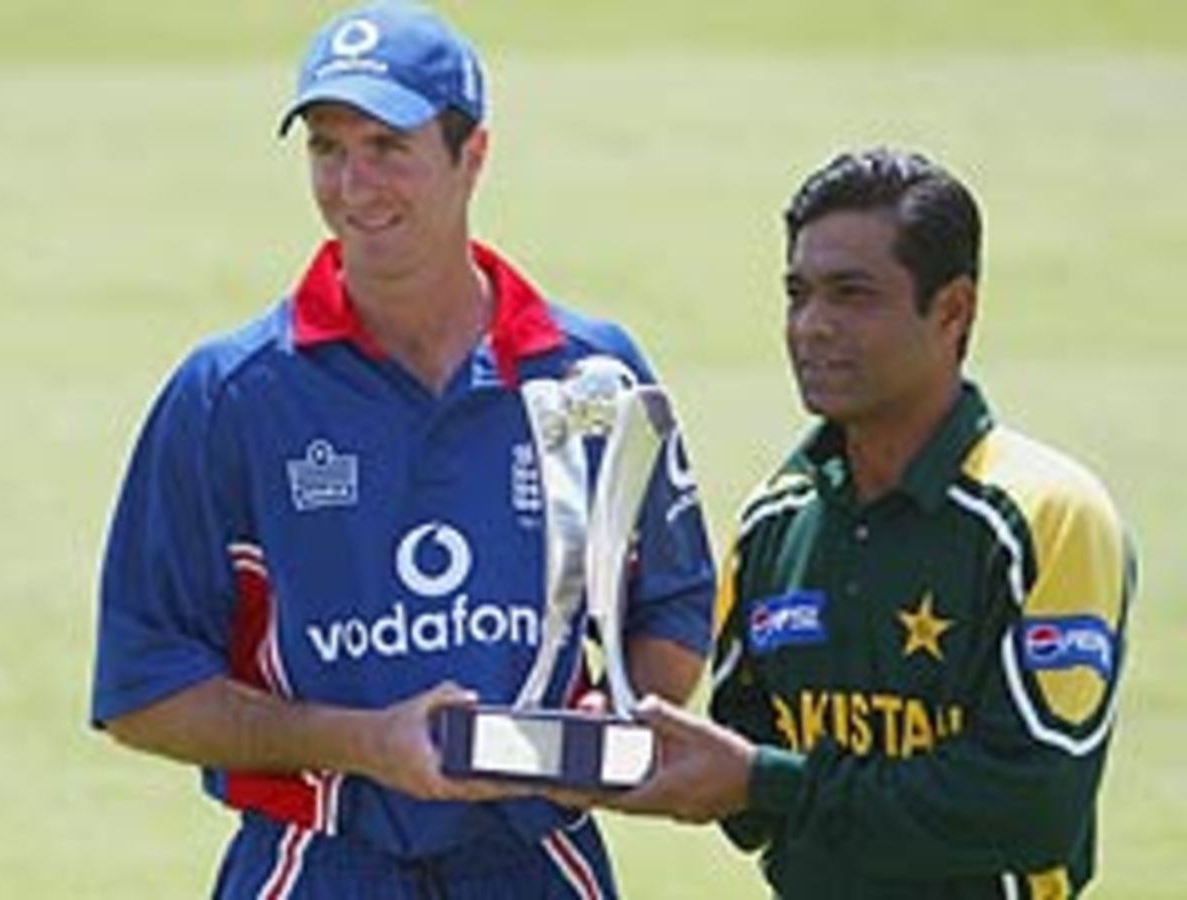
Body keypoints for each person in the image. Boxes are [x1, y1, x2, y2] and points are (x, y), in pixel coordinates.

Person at [89, 2, 715, 897]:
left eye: (387, 146)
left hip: (535, 861)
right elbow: (143, 688)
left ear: (473, 156)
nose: (353, 185)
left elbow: (676, 604)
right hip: (315, 864)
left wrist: (589, 740)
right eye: (326, 149)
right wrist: (360, 743)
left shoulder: (594, 376)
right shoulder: (228, 395)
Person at [561, 148, 1136, 898]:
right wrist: (631, 745)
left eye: (851, 295)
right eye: (798, 294)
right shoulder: (776, 523)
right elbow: (747, 793)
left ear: (954, 309)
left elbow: (1033, 807)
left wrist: (770, 783)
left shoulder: (1047, 514)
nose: (812, 327)